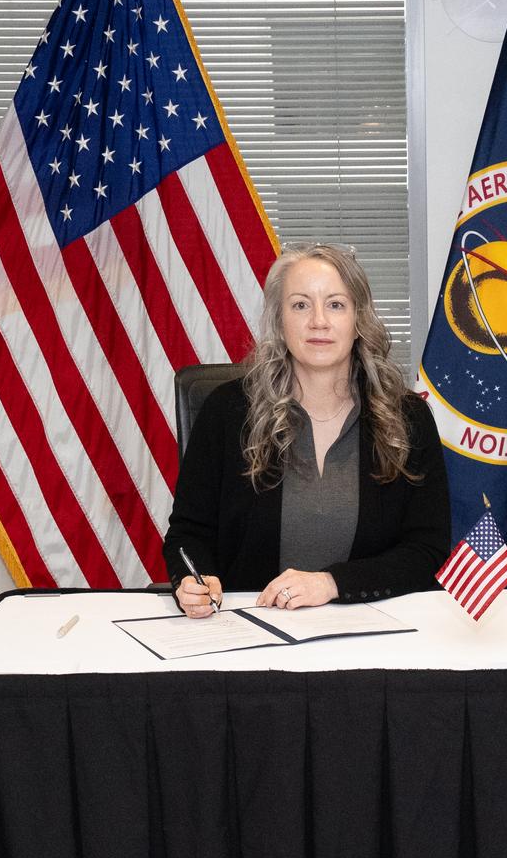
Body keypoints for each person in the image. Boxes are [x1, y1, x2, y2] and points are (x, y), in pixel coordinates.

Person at [164, 243, 451, 614]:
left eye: (335, 304)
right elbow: (188, 535)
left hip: (371, 631)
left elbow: (426, 549)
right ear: (280, 321)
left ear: (358, 319)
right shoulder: (227, 410)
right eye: (300, 305)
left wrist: (331, 583)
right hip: (249, 631)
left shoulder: (407, 418)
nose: (318, 321)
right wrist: (193, 580)